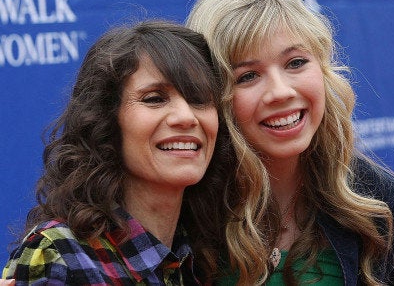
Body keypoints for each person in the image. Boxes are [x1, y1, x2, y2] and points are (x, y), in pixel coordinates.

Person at [186, 0, 394, 285]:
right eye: (248, 76)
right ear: (212, 92)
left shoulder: (378, 200)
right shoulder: (187, 204)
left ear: (322, 69)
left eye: (295, 63)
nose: (280, 92)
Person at [1, 20, 230, 284]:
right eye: (154, 98)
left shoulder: (200, 261)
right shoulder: (60, 255)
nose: (186, 117)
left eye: (198, 99)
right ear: (106, 120)